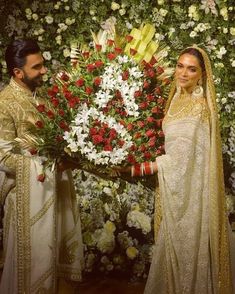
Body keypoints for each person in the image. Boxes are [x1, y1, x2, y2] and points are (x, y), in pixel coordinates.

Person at [122, 46, 235, 293]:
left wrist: (137, 169)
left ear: (202, 75)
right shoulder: (175, 99)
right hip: (173, 191)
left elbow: (183, 161)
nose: (183, 73)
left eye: (191, 69)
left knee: (187, 254)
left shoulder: (200, 108)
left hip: (192, 196)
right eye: (180, 66)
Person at [0, 39, 83, 293]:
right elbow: (3, 157)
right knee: (31, 262)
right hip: (26, 196)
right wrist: (46, 165)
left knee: (55, 254)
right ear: (18, 72)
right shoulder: (4, 103)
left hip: (55, 189)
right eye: (37, 67)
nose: (44, 71)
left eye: (43, 65)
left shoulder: (43, 96)